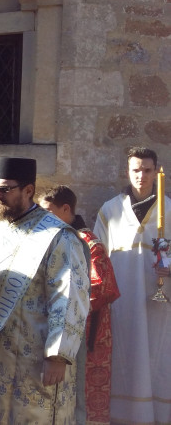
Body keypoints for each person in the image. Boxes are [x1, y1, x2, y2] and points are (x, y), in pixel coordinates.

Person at [0, 157, 90, 423]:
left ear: (28, 190)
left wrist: (57, 355)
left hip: (36, 355)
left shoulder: (58, 236)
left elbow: (70, 295)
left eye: (5, 189)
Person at [93, 146, 170, 424]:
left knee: (157, 356)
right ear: (128, 171)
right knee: (125, 355)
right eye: (136, 169)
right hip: (121, 300)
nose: (142, 175)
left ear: (156, 172)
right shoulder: (110, 210)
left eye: (148, 170)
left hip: (159, 301)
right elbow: (97, 256)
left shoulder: (170, 209)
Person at [40, 185, 120, 425]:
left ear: (66, 210)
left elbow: (103, 287)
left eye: (48, 211)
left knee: (81, 398)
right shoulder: (51, 237)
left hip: (85, 331)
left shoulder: (88, 242)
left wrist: (64, 302)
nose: (43, 218)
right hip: (56, 327)